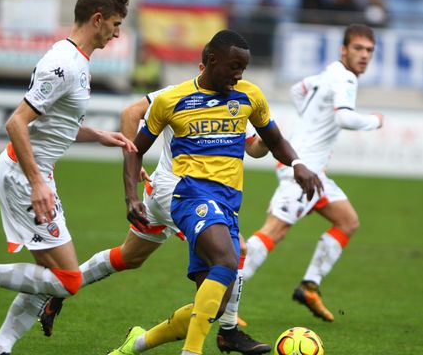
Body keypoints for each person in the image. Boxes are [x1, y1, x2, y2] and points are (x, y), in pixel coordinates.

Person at [0, 0, 134, 355]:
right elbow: (16, 123)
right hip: (25, 178)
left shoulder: (76, 60)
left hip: (36, 175)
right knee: (68, 280)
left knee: (48, 278)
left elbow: (53, 127)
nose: (117, 32)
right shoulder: (64, 64)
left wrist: (98, 135)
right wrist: (37, 184)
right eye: (115, 23)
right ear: (97, 19)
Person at [38, 51, 272, 355]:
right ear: (206, 67)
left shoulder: (233, 100)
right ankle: (228, 331)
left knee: (129, 257)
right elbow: (130, 112)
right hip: (178, 191)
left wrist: (268, 136)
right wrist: (131, 161)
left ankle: (61, 290)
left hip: (165, 192)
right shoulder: (177, 95)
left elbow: (253, 148)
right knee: (234, 250)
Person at [110, 29, 322, 355]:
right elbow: (135, 149)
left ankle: (134, 344)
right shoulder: (172, 99)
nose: (239, 75)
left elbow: (275, 140)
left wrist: (297, 164)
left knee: (214, 306)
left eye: (244, 69)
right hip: (188, 192)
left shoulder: (249, 96)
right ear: (211, 60)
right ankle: (191, 352)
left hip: (227, 201)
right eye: (234, 67)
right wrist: (131, 196)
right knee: (227, 257)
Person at [241, 24, 384, 323]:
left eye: (369, 50)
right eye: (358, 48)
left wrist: (309, 120)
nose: (364, 55)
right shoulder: (344, 78)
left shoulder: (330, 72)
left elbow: (298, 89)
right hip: (302, 170)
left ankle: (309, 286)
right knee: (273, 231)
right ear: (344, 50)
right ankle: (223, 297)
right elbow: (344, 117)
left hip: (313, 170)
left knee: (347, 221)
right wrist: (374, 121)